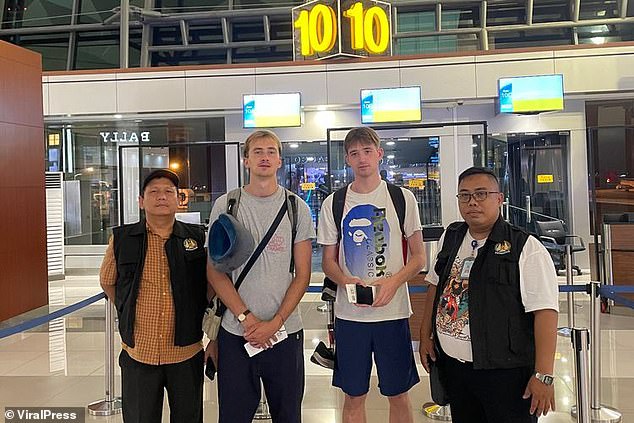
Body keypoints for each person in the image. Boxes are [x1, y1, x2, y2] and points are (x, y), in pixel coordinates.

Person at [419, 166, 559, 423]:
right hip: (456, 368)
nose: (472, 201)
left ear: (499, 198)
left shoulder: (525, 247)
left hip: (506, 373)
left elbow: (546, 312)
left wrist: (543, 375)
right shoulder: (451, 237)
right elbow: (434, 285)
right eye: (465, 195)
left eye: (481, 194)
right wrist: (425, 335)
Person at [318, 126, 426, 423]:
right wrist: (345, 280)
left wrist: (393, 281)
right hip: (350, 316)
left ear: (379, 154)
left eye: (367, 151)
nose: (362, 158)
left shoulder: (402, 198)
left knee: (398, 393)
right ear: (347, 160)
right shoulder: (334, 203)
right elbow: (328, 261)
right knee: (353, 395)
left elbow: (419, 257)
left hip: (393, 314)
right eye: (354, 153)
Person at [207, 129, 315, 423]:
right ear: (246, 161)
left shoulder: (296, 208)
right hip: (236, 332)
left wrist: (275, 323)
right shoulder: (228, 205)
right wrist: (247, 318)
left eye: (271, 152)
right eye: (257, 152)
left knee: (288, 414)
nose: (264, 157)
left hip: (285, 331)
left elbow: (303, 274)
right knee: (233, 414)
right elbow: (215, 272)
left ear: (280, 160)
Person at [100, 169, 209, 423]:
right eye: (154, 192)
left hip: (186, 351)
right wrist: (128, 308)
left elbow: (210, 285)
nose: (162, 196)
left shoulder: (196, 236)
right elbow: (108, 281)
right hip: (139, 353)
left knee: (188, 417)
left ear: (179, 199)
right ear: (141, 201)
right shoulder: (123, 238)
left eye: (168, 191)